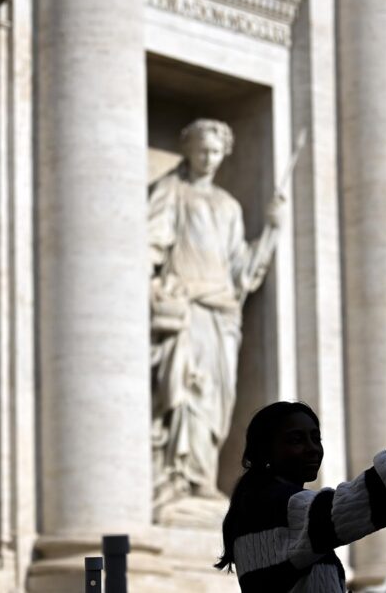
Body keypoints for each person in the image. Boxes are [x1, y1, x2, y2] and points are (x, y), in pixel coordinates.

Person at [148, 118, 284, 508]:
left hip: (222, 312)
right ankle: (177, 475)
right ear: (188, 150)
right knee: (186, 392)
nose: (208, 158)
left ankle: (202, 474)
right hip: (187, 305)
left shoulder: (228, 206)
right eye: (202, 150)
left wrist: (272, 231)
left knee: (215, 400)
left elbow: (241, 270)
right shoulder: (171, 192)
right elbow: (150, 243)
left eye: (215, 152)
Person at [215, 395, 386, 592]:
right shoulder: (276, 505)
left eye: (315, 438)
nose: (312, 449)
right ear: (266, 451)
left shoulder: (256, 504)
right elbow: (354, 505)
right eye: (296, 440)